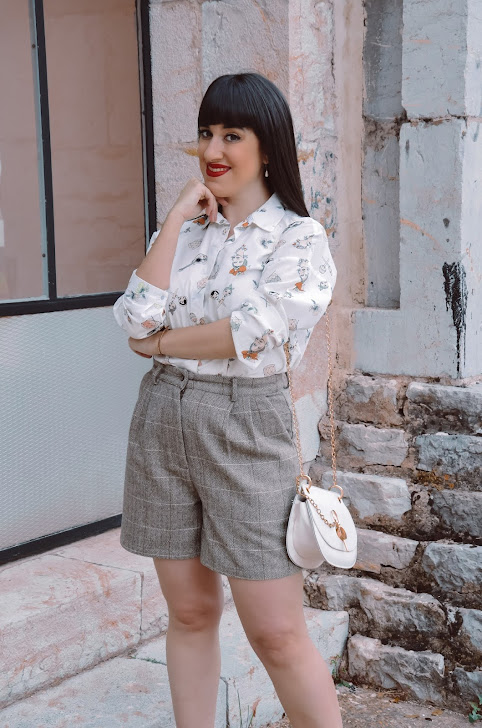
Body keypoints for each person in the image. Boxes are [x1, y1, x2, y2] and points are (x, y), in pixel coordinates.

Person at [113, 72, 341, 728]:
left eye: (231, 134)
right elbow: (133, 316)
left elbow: (255, 333)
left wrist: (162, 344)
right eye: (206, 132)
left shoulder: (299, 238)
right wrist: (174, 219)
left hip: (245, 426)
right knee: (189, 613)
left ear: (267, 145)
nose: (212, 149)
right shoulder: (188, 233)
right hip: (163, 419)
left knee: (277, 632)